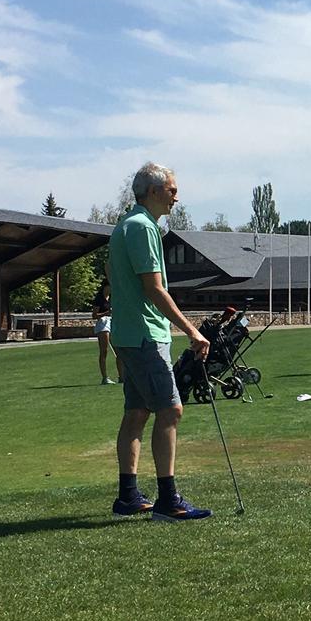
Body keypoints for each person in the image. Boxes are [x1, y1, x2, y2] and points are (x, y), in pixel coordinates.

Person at [108, 162, 215, 521]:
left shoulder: (126, 225)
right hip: (145, 335)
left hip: (127, 334)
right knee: (170, 410)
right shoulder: (142, 228)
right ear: (153, 192)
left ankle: (128, 496)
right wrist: (192, 330)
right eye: (171, 190)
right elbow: (153, 288)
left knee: (137, 413)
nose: (176, 197)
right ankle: (168, 501)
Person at [92, 279, 113, 385]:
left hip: (111, 323)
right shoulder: (99, 298)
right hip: (102, 324)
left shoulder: (111, 298)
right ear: (106, 286)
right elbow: (94, 315)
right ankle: (105, 377)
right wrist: (106, 313)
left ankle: (122, 375)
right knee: (104, 351)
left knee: (118, 349)